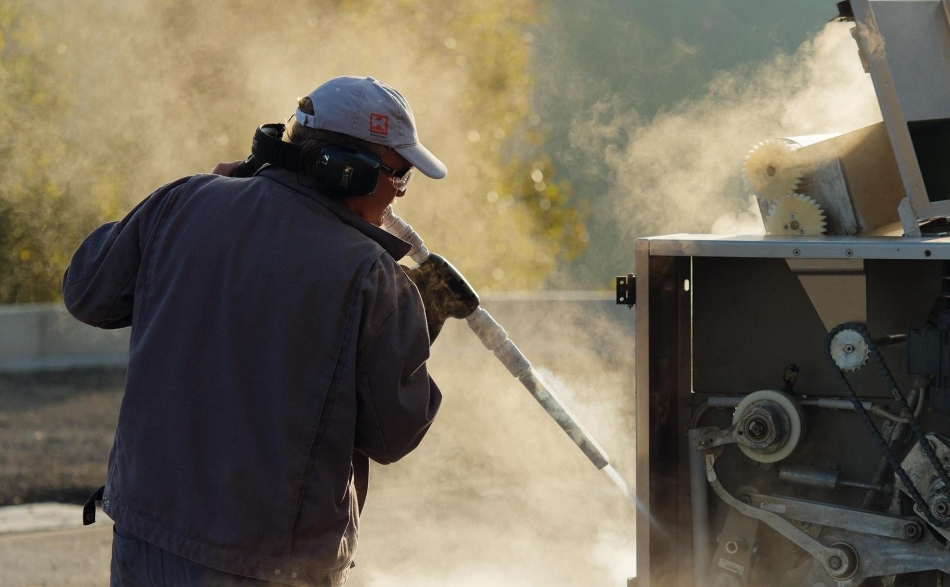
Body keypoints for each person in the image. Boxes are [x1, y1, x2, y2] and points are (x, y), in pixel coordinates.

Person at [63, 76, 450, 586]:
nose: (399, 195)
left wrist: (193, 199)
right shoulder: (372, 275)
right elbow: (394, 431)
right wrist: (424, 313)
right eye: (398, 176)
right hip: (271, 566)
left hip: (146, 541)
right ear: (347, 172)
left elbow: (87, 291)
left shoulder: (181, 203)